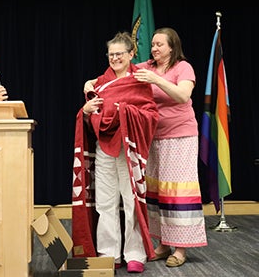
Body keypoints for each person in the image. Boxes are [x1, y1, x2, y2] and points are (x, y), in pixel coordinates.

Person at [85, 27, 208, 268]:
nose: (154, 48)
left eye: (159, 44)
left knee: (177, 192)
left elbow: (183, 96)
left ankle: (180, 249)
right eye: (152, 44)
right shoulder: (145, 67)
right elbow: (117, 72)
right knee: (155, 193)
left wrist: (156, 80)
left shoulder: (182, 67)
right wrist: (89, 83)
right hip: (148, 138)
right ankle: (162, 243)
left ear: (172, 47)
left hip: (180, 136)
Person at [72, 31, 159, 273]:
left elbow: (152, 116)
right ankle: (108, 253)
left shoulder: (140, 81)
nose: (115, 58)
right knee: (105, 202)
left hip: (129, 149)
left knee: (131, 203)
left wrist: (126, 112)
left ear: (131, 54)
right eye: (111, 55)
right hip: (104, 148)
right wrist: (86, 111)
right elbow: (90, 122)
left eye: (119, 54)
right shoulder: (98, 83)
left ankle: (135, 254)